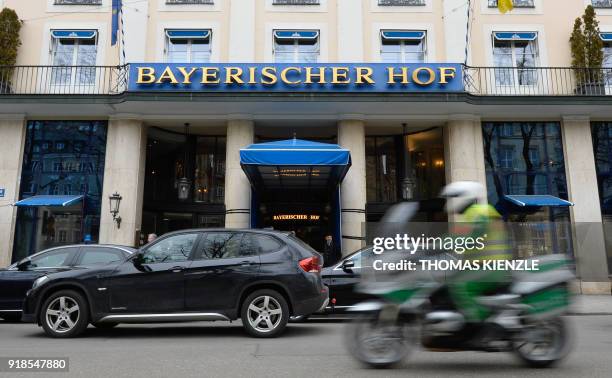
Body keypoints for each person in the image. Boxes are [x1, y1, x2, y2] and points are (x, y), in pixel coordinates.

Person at [440, 181, 512, 323]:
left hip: (491, 267)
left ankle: (479, 325)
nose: (450, 201)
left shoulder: (479, 212)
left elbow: (474, 235)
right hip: (482, 266)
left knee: (460, 285)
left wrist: (438, 245)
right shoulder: (470, 215)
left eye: (453, 197)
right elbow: (454, 236)